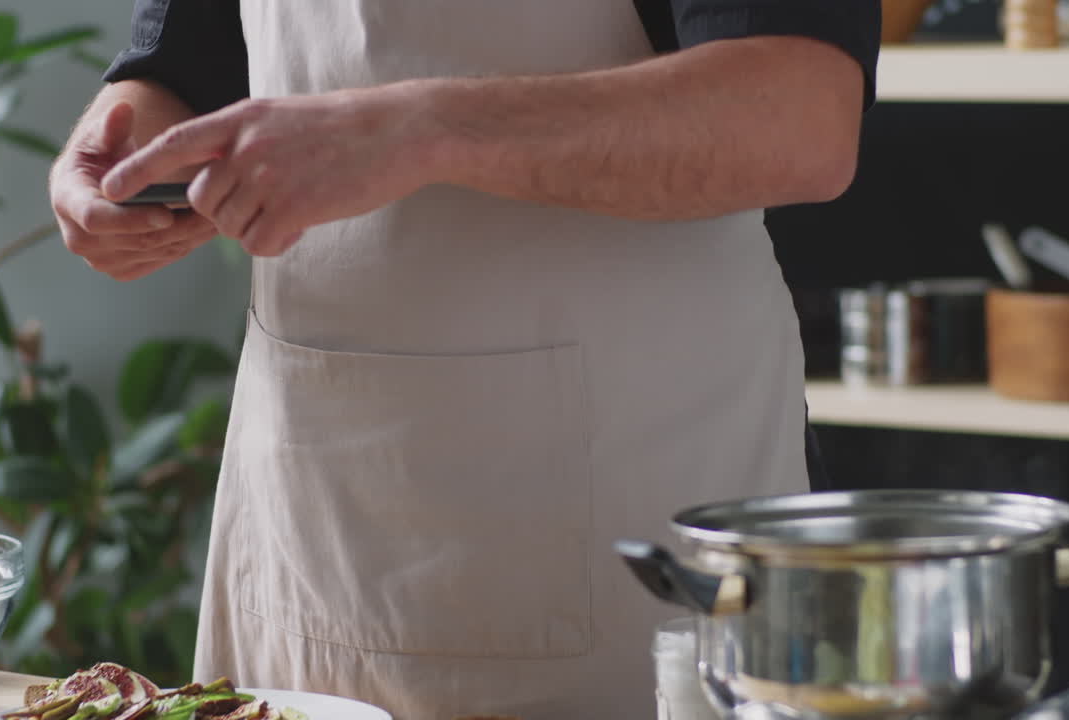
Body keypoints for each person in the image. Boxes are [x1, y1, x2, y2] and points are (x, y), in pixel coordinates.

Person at [49, 1, 880, 716]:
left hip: (625, 509)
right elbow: (183, 60)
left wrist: (420, 128)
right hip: (308, 518)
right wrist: (120, 141)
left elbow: (800, 113)